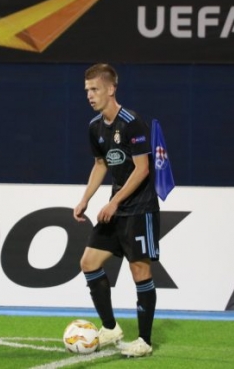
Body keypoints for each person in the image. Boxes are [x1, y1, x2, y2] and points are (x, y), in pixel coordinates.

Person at [73, 63, 160, 358]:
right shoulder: (94, 127)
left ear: (111, 89)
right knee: (89, 262)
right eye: (87, 90)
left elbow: (142, 169)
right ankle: (110, 328)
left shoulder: (132, 122)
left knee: (140, 270)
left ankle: (144, 341)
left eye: (95, 89)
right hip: (117, 207)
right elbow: (100, 164)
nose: (89, 95)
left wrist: (114, 202)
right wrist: (85, 199)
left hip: (140, 208)